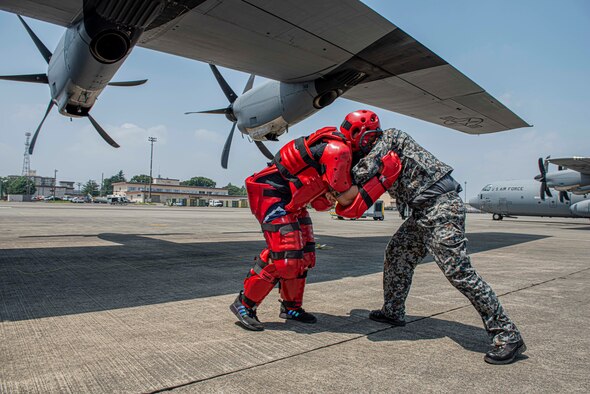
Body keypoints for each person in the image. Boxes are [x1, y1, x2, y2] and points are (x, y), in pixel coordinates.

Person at [344, 126, 526, 365]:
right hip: (423, 212)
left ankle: (507, 333)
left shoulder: (391, 137)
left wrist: (338, 165)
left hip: (442, 208)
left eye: (357, 143)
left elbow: (363, 171)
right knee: (397, 253)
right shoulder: (383, 156)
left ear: (365, 137)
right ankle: (393, 311)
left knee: (458, 272)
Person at [230, 110, 402, 331]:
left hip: (292, 202)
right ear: (357, 134)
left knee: (305, 255)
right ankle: (244, 304)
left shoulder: (343, 152)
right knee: (286, 256)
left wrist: (336, 194)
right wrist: (383, 178)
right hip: (272, 195)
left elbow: (324, 203)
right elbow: (349, 208)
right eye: (369, 137)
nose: (372, 143)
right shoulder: (337, 151)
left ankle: (291, 307)